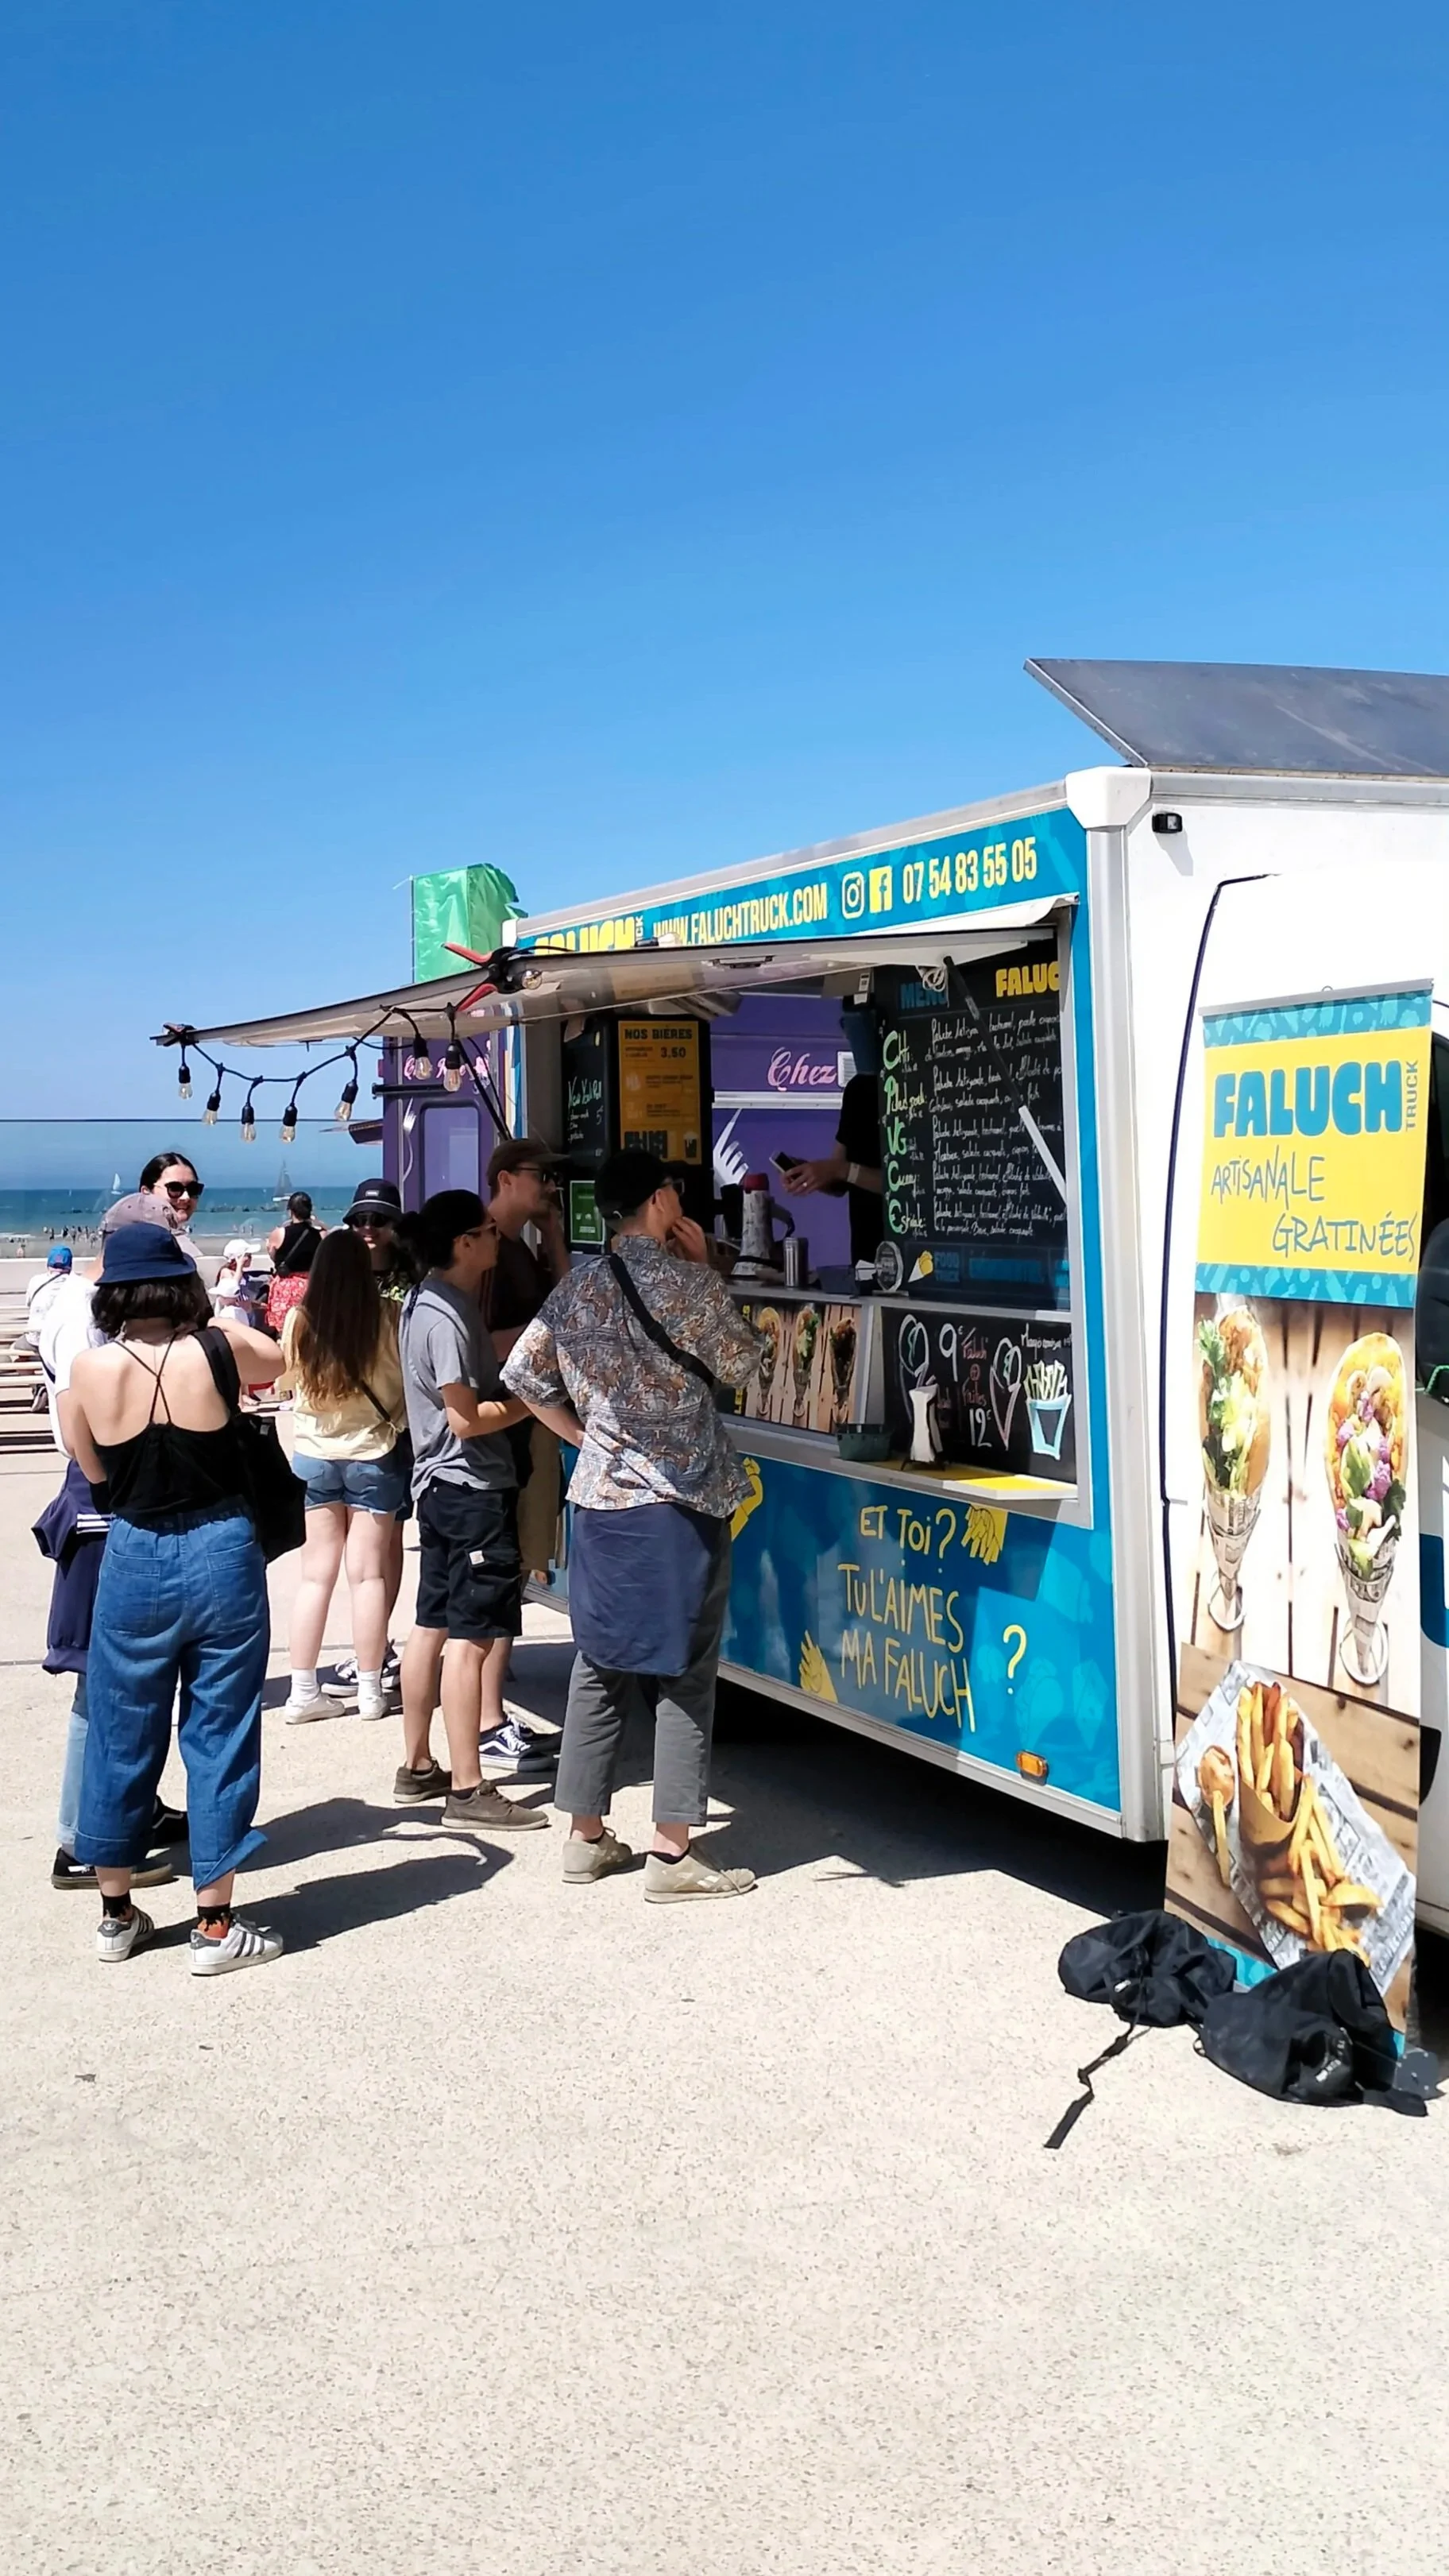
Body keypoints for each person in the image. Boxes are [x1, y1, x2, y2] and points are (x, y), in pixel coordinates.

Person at [503, 1148, 765, 1901]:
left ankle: (585, 1838)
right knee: (685, 1673)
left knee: (599, 1663)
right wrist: (710, 1268)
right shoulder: (687, 1286)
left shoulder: (577, 1288)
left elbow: (522, 1376)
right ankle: (674, 1853)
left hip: (601, 1502)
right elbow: (746, 1362)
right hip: (681, 1503)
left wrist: (576, 1434)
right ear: (659, 1201)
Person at [61, 1222, 287, 1974]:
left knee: (121, 1728)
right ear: (180, 1284)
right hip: (222, 1544)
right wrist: (215, 1319)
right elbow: (280, 1360)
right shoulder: (218, 1348)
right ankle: (216, 1925)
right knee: (220, 1728)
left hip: (133, 1547)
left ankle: (116, 1913)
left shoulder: (88, 1372)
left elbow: (93, 1470)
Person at [394, 1189, 548, 1830]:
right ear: (463, 1243)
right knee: (472, 1638)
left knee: (431, 1625)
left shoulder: (428, 1301)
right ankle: (468, 1787)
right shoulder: (447, 1317)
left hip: (438, 1490)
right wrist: (531, 1401)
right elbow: (466, 1417)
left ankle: (418, 1764)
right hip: (467, 1489)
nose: (496, 1239)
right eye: (486, 1232)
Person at [277, 1228, 409, 1723]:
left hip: (313, 1455)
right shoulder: (387, 1317)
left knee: (315, 1577)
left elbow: (292, 1382)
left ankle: (303, 1691)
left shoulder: (298, 1320)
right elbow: (402, 1384)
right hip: (374, 1451)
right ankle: (373, 1690)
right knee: (368, 1575)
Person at [480, 1136, 572, 1775]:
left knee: (514, 1566)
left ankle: (489, 1711)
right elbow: (479, 1342)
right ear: (508, 1178)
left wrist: (557, 1239)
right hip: (499, 1426)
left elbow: (564, 1304)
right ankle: (489, 1719)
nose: (548, 1188)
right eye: (541, 1178)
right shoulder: (486, 1249)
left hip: (527, 1427)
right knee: (498, 1573)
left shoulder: (525, 1249)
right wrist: (544, 1329)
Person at [315, 1178, 418, 1704]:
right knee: (359, 1559)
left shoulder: (411, 1281)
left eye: (378, 1220)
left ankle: (376, 1650)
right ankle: (372, 1652)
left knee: (387, 1546)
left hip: (395, 1430)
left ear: (397, 1226)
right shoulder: (340, 1281)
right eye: (358, 1221)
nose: (368, 1230)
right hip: (345, 1437)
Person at [781, 1008, 884, 1268]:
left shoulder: (918, 1085)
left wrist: (839, 1170)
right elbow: (840, 1181)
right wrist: (812, 1172)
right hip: (865, 1253)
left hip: (913, 1247)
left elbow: (910, 1187)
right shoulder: (858, 1090)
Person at [265, 1189, 323, 1335]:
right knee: (308, 1331)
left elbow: (273, 1256)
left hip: (285, 1287)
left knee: (284, 1330)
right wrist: (317, 1222)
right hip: (310, 1285)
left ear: (290, 1211)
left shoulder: (279, 1233)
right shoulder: (320, 1235)